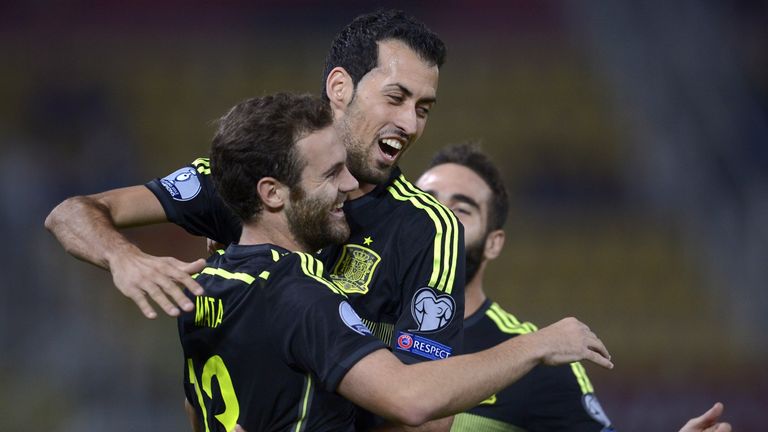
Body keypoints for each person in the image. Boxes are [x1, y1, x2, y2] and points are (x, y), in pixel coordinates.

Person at [45, 10, 461, 430]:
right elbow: (70, 213)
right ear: (340, 87)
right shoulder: (244, 181)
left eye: (423, 109)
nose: (410, 123)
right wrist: (124, 258)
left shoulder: (429, 230)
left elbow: (426, 418)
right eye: (396, 98)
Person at [180, 93, 613, 432]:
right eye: (331, 175)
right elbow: (411, 400)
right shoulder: (306, 295)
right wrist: (538, 345)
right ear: (272, 193)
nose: (349, 185)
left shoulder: (206, 286)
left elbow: (199, 407)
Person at [415, 143, 731, 432]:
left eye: (461, 210)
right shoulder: (366, 323)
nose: (437, 219)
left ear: (493, 244)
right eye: (424, 204)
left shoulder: (540, 362)